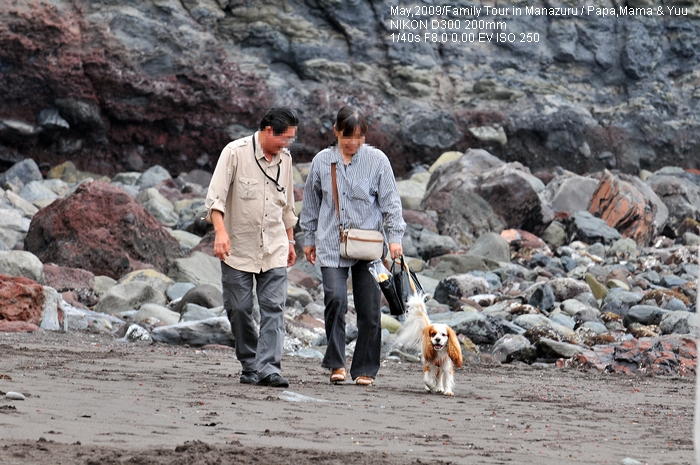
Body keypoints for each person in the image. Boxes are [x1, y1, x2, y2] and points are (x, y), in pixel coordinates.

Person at [300, 105, 405, 386]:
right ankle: (336, 364)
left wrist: (395, 240)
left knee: (370, 310)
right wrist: (308, 239)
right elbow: (310, 204)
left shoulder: (378, 161)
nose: (354, 142)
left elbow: (391, 204)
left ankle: (365, 369)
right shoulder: (322, 161)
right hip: (331, 244)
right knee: (335, 299)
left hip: (369, 247)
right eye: (348, 136)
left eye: (359, 136)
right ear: (336, 131)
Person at [204, 107, 299, 388]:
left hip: (274, 247)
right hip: (238, 248)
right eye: (285, 138)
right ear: (269, 130)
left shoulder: (286, 160)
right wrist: (220, 233)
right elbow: (215, 199)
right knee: (240, 308)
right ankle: (249, 363)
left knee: (273, 308)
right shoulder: (234, 152)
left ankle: (269, 368)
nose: (287, 144)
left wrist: (291, 240)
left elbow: (288, 205)